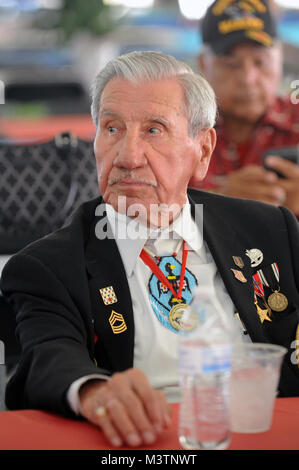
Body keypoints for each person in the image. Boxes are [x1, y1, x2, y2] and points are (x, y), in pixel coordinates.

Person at [1, 51, 299, 449]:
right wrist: (94, 391)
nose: (127, 156)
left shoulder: (270, 229)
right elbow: (48, 357)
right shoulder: (48, 266)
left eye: (154, 130)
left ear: (203, 151)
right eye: (112, 129)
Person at [195, 0, 299, 216]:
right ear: (204, 64)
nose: (248, 79)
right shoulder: (180, 131)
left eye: (260, 62)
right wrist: (219, 202)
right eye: (231, 64)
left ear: (279, 59)